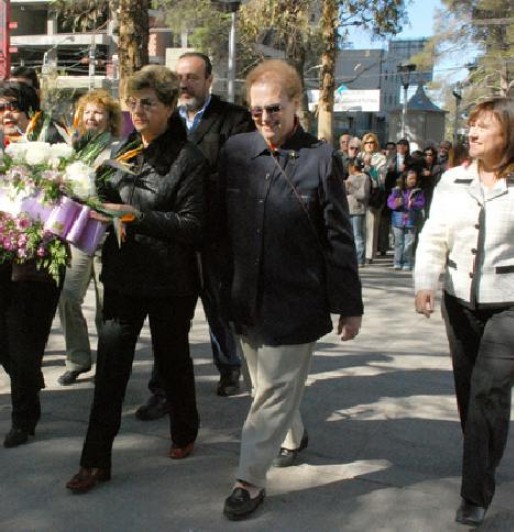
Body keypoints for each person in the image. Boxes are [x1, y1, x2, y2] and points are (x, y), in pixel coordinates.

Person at [219, 59, 363, 521]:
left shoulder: (321, 159)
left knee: (271, 394)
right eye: (256, 110)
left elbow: (339, 236)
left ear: (296, 104)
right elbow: (220, 224)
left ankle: (249, 480)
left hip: (297, 298)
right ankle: (293, 436)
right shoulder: (236, 150)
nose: (264, 119)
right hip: (245, 295)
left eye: (274, 109)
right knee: (265, 384)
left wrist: (349, 305)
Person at [65, 65, 208, 493]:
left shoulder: (189, 159)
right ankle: (94, 462)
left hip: (170, 281)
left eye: (148, 102)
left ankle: (184, 429)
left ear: (169, 107)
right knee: (110, 369)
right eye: (133, 102)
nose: (138, 110)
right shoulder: (125, 148)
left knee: (172, 360)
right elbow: (106, 194)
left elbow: (194, 225)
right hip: (125, 275)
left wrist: (136, 216)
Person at [414, 97, 514, 527]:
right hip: (461, 302)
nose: (471, 133)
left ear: (508, 134)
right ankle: (485, 454)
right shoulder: (453, 180)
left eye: (483, 127)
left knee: (488, 390)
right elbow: (434, 235)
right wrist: (426, 282)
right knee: (471, 394)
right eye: (471, 125)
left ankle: (475, 492)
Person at [135, 52, 255, 421]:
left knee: (218, 307)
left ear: (209, 80)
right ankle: (162, 391)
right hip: (171, 238)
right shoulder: (165, 119)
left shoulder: (233, 119)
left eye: (192, 77)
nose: (185, 84)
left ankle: (229, 365)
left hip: (215, 237)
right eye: (179, 77)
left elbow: (242, 176)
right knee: (170, 320)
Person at [0, 81, 67, 448]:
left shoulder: (50, 144)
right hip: (1, 256)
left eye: (12, 106)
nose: (6, 114)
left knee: (24, 341)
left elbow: (68, 193)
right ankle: (28, 378)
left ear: (29, 109)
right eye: (1, 108)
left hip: (35, 259)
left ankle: (23, 419)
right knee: (5, 341)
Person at [57, 89, 122, 386]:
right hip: (80, 235)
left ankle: (109, 365)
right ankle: (78, 359)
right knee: (68, 297)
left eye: (98, 112)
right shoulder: (75, 149)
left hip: (109, 237)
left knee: (106, 307)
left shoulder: (120, 150)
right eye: (87, 112)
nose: (92, 117)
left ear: (109, 118)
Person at [387, 168, 425, 271]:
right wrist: (396, 204)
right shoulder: (397, 190)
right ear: (405, 179)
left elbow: (421, 203)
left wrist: (413, 203)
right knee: (399, 242)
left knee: (409, 242)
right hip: (398, 220)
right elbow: (390, 203)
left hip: (411, 220)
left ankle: (407, 262)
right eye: (411, 178)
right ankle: (397, 262)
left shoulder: (418, 191)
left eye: (414, 178)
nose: (413, 180)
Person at [360, 132, 387, 264]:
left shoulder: (380, 158)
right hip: (358, 195)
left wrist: (370, 167)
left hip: (373, 194)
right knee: (359, 225)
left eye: (372, 143)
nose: (369, 145)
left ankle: (369, 254)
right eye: (367, 143)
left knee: (371, 224)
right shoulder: (359, 156)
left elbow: (381, 179)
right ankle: (359, 251)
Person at [344, 157, 370, 266]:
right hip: (348, 208)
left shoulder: (364, 178)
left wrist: (351, 188)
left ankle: (360, 259)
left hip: (358, 209)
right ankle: (351, 258)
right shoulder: (350, 177)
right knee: (349, 235)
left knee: (358, 235)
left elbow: (363, 194)